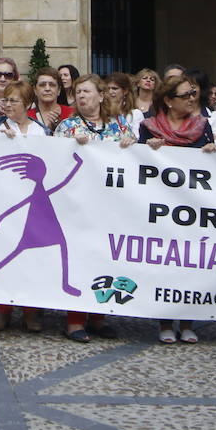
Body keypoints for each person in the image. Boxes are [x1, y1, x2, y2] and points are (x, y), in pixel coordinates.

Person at [56, 73, 136, 342]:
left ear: (101, 95)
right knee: (79, 260)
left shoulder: (120, 126)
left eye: (86, 91)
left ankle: (99, 317)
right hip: (78, 208)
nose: (81, 96)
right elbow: (56, 163)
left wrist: (132, 147)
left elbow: (137, 160)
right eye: (78, 92)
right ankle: (75, 320)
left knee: (106, 259)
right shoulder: (67, 127)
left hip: (111, 209)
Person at [133, 75, 211, 344]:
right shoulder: (149, 127)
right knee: (165, 264)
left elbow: (211, 164)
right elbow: (137, 162)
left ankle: (188, 321)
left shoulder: (203, 126)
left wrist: (213, 152)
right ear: (167, 100)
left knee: (191, 264)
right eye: (185, 95)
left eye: (193, 94)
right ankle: (165, 321)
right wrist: (148, 149)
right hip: (161, 207)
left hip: (192, 207)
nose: (192, 99)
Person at [0, 80, 49, 334]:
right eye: (5, 100)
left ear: (28, 105)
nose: (8, 104)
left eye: (14, 100)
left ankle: (31, 312)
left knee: (31, 261)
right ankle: (2, 310)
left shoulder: (40, 131)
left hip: (33, 205)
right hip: (4, 202)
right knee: (4, 254)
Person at [28, 68, 73, 132]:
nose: (47, 88)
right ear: (35, 90)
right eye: (42, 85)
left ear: (59, 90)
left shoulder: (71, 114)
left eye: (52, 85)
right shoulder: (27, 117)